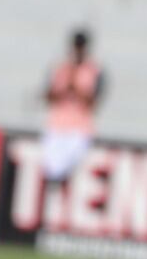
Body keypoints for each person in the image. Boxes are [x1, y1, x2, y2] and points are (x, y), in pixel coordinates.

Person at [38, 29, 104, 186]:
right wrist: (65, 86)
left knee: (70, 171)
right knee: (52, 170)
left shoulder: (95, 71)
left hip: (79, 129)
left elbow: (93, 103)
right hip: (56, 126)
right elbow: (48, 97)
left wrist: (76, 87)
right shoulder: (59, 68)